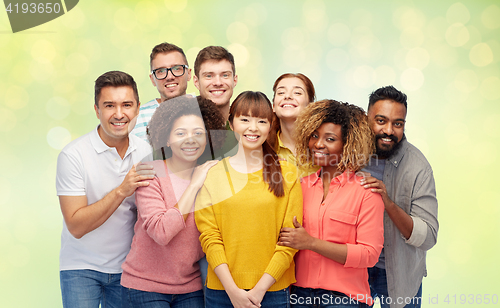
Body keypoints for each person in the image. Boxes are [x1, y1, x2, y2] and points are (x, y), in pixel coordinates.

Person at [195, 91, 303, 308]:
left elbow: (290, 241)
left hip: (272, 291)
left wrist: (260, 289)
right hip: (221, 292)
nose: (253, 128)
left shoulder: (288, 172)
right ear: (231, 123)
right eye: (244, 119)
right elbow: (209, 237)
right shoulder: (213, 174)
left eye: (261, 121)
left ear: (270, 126)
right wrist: (233, 291)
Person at [56, 71, 153, 308]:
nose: (119, 114)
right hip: (81, 268)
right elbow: (76, 226)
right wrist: (122, 190)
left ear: (138, 108)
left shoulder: (147, 153)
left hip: (128, 270)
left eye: (126, 105)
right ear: (97, 110)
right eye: (109, 105)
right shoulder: (73, 156)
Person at [120, 95, 225, 308]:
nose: (190, 139)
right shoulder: (151, 172)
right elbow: (161, 232)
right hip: (145, 286)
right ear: (167, 138)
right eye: (180, 133)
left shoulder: (212, 175)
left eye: (198, 133)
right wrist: (194, 185)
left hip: (190, 286)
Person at [278, 100, 384, 307]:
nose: (318, 144)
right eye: (315, 136)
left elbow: (369, 255)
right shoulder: (300, 187)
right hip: (299, 296)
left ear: (347, 145)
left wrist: (311, 243)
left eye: (330, 139)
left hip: (345, 299)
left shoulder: (367, 192)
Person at [360, 86, 439, 308]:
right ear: (367, 119)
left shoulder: (418, 167)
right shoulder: (348, 155)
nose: (389, 130)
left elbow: (428, 237)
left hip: (398, 272)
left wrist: (387, 202)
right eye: (381, 120)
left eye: (397, 123)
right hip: (355, 269)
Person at [131, 42, 192, 141]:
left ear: (189, 74)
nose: (170, 77)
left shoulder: (205, 110)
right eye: (161, 71)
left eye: (177, 68)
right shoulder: (137, 119)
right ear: (152, 79)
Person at [269, 73, 319, 177]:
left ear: (311, 106)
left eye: (297, 92)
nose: (287, 96)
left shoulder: (325, 147)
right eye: (281, 92)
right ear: (273, 106)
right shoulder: (263, 148)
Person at [193, 46, 238, 125]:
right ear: (196, 82)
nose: (218, 83)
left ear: (234, 80)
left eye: (225, 75)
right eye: (209, 76)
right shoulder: (182, 126)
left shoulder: (248, 128)